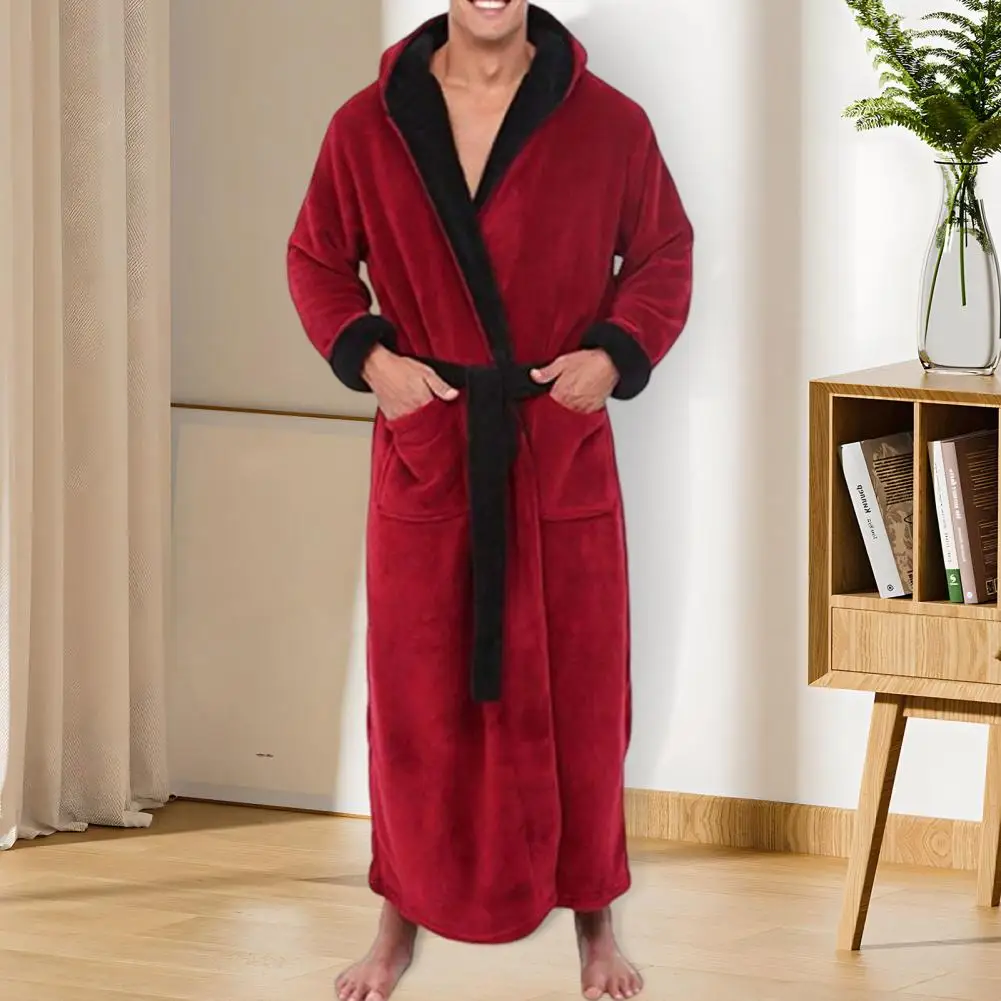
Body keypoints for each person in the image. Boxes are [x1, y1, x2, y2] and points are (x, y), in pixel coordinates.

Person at [287, 1, 693, 998]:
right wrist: (375, 362)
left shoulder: (607, 122)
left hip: (551, 438)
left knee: (581, 693)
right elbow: (315, 260)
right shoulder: (367, 125)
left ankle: (595, 919)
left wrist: (610, 354)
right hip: (433, 439)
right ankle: (397, 917)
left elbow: (663, 253)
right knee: (416, 695)